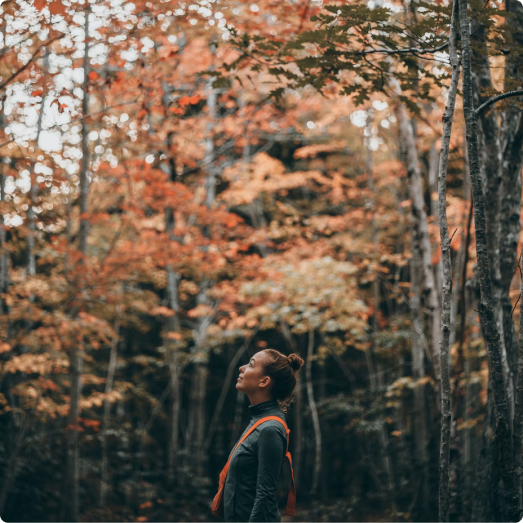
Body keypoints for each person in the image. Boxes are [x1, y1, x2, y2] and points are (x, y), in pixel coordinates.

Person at [223, 348, 304, 523]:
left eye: (251, 364)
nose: (242, 368)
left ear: (264, 381)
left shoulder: (270, 429)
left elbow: (265, 496)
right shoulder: (259, 421)